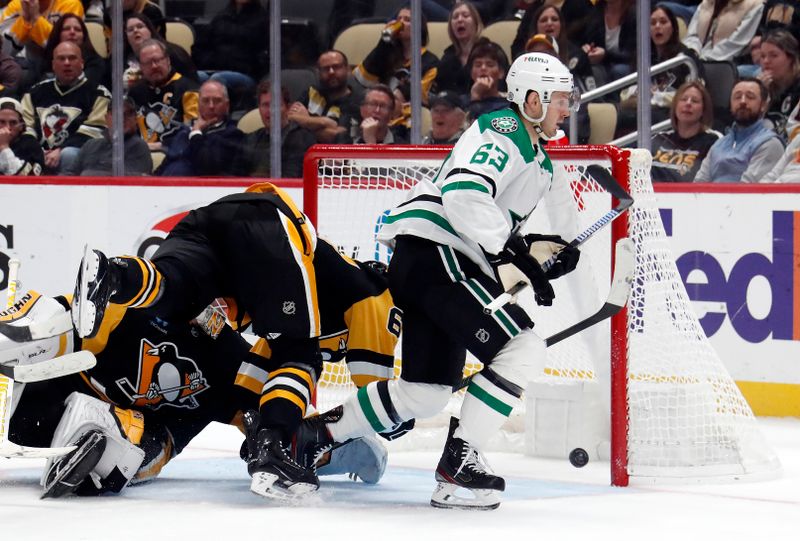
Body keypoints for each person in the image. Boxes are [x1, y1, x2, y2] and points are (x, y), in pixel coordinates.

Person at [311, 52, 581, 510]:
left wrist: (538, 252)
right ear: (531, 98)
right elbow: (464, 190)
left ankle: (309, 437)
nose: (565, 108)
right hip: (440, 253)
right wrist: (514, 251)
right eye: (557, 99)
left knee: (426, 391)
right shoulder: (506, 128)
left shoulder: (538, 157)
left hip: (433, 260)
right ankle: (459, 465)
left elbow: (493, 219)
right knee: (522, 347)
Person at [6, 237, 398, 498]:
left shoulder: (236, 366)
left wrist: (353, 449)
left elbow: (279, 433)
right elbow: (47, 319)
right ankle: (89, 430)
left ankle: (102, 437)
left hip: (152, 433)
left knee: (132, 456)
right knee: (36, 361)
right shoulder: (135, 308)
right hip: (63, 390)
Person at [69, 181, 325, 499]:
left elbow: (297, 425)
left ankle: (117, 274)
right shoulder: (225, 344)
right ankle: (111, 456)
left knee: (173, 284)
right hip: (116, 391)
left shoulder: (221, 341)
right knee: (298, 353)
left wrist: (345, 445)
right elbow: (298, 423)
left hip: (156, 415)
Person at [20, 40, 110, 174]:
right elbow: (25, 126)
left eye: (72, 58)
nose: (67, 63)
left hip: (75, 155)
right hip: (39, 153)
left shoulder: (99, 93)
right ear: (53, 65)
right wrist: (38, 152)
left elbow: (95, 131)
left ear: (82, 63)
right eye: (61, 59)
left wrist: (60, 149)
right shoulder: (35, 92)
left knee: (69, 155)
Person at [694, 77, 784, 182]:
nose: (742, 101)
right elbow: (699, 184)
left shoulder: (769, 143)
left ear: (763, 105)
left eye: (750, 97)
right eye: (737, 97)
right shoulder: (719, 144)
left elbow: (749, 190)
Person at [352, 6, 439, 105]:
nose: (400, 23)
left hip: (409, 115)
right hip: (379, 109)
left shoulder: (430, 61)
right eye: (398, 19)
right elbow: (362, 79)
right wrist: (384, 41)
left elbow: (421, 96)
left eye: (407, 20)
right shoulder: (387, 53)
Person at [192, 0, 268, 111]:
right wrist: (212, 61)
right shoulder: (221, 16)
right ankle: (192, 117)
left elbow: (261, 58)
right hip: (215, 68)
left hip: (246, 75)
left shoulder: (263, 20)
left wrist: (235, 63)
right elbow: (200, 48)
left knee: (217, 80)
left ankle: (218, 118)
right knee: (196, 76)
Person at [156, 79, 243, 176]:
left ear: (227, 105)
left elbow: (206, 166)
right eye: (206, 101)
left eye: (217, 101)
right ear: (198, 105)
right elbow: (167, 162)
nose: (211, 106)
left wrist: (196, 133)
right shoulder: (185, 132)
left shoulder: (233, 135)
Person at [127, 39, 199, 152]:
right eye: (148, 63)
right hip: (137, 154)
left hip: (176, 152)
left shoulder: (188, 89)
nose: (154, 66)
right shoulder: (135, 92)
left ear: (168, 60)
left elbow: (193, 130)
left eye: (157, 60)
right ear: (141, 67)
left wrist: (160, 146)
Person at [232, 80, 315, 177]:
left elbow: (291, 178)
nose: (270, 111)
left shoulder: (302, 138)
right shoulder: (251, 138)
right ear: (259, 108)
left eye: (275, 105)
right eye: (265, 105)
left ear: (288, 108)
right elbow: (235, 175)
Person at [651, 81, 722, 182]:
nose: (688, 104)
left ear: (704, 110)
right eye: (683, 99)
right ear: (675, 106)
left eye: (695, 101)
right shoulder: (659, 139)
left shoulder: (714, 141)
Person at [288, 50, 363, 143]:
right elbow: (290, 120)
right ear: (318, 72)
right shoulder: (311, 92)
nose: (331, 72)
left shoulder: (357, 103)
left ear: (347, 70)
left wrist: (305, 121)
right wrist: (325, 122)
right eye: (325, 68)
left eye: (336, 67)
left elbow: (339, 137)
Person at [64, 96, 152, 176]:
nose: (122, 119)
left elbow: (132, 181)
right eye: (116, 114)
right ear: (106, 118)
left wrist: (86, 174)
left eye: (128, 114)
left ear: (135, 120)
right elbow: (69, 175)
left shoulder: (139, 146)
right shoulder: (90, 145)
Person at [120, 13, 197, 91]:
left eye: (140, 26)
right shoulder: (119, 60)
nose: (135, 31)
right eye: (130, 29)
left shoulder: (173, 54)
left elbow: (191, 84)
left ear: (150, 30)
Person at [41, 13, 107, 89]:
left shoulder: (95, 62)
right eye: (66, 29)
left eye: (78, 30)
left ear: (84, 36)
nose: (72, 32)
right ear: (58, 34)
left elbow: (86, 88)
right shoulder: (47, 58)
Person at [683, 0, 765, 61]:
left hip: (728, 61)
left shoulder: (755, 4)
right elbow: (692, 35)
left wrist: (702, 59)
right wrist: (692, 52)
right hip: (695, 58)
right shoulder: (706, 2)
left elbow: (735, 44)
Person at [433, 1, 485, 97]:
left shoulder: (489, 52)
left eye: (465, 16)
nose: (460, 20)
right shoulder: (447, 57)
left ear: (476, 23)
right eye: (455, 17)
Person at [758, 28, 800, 139]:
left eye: (774, 55)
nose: (766, 61)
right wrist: (760, 95)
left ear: (791, 58)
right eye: (762, 56)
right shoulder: (761, 87)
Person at [335, 85, 409, 145]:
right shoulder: (348, 142)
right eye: (372, 104)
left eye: (383, 106)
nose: (377, 110)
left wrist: (370, 142)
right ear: (362, 110)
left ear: (391, 113)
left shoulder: (401, 147)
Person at [466, 38, 510, 120]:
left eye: (490, 65)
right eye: (478, 65)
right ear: (472, 73)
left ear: (501, 73)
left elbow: (481, 130)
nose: (483, 68)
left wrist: (476, 96)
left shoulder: (509, 104)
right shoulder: (461, 103)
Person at [0, 96, 43, 174]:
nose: (7, 127)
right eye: (1, 122)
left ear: (21, 126)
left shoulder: (31, 145)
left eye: (13, 123)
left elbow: (26, 178)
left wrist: (4, 147)